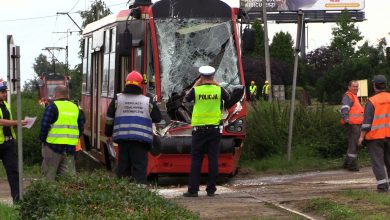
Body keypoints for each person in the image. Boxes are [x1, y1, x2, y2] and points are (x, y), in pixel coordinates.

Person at [105, 70, 161, 184]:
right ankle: (140, 195)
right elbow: (157, 118)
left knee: (123, 168)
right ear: (140, 84)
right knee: (139, 170)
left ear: (126, 83)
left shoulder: (117, 99)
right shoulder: (147, 101)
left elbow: (109, 117)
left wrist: (108, 133)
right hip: (141, 142)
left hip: (123, 141)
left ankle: (124, 194)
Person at [182, 65, 230, 197]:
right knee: (213, 159)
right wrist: (216, 84)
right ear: (213, 77)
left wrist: (195, 85)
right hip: (214, 130)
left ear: (201, 77)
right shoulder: (218, 90)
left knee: (196, 160)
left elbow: (185, 99)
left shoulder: (196, 91)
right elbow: (228, 97)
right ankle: (211, 190)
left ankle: (193, 190)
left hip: (199, 130)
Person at [40, 85, 85, 181]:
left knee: (48, 179)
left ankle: (48, 195)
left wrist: (43, 141)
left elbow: (44, 126)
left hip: (52, 148)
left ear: (55, 94)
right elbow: (81, 128)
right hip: (70, 149)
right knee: (69, 181)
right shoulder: (75, 108)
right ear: (67, 95)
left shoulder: (52, 107)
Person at [358, 75, 390, 192]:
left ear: (374, 86)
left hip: (375, 137)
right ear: (385, 85)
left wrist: (361, 137)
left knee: (378, 163)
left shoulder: (371, 101)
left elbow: (366, 123)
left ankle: (382, 187)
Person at [0, 80, 27, 203]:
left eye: (5, 91)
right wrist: (17, 122)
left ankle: (17, 200)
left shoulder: (5, 105)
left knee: (13, 172)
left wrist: (19, 125)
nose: (4, 94)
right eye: (2, 92)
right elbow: (1, 122)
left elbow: (8, 124)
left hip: (9, 143)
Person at [340, 80, 364, 171]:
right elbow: (345, 108)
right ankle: (351, 165)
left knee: (353, 144)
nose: (356, 88)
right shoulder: (349, 96)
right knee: (354, 144)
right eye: (354, 86)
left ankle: (347, 163)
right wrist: (346, 119)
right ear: (349, 87)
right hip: (352, 124)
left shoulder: (354, 96)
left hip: (356, 124)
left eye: (357, 86)